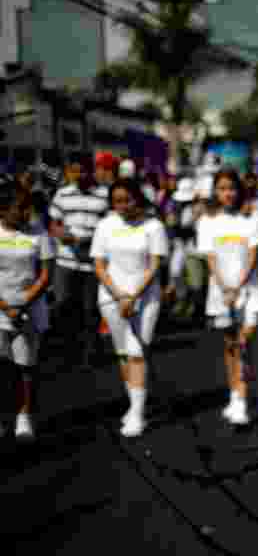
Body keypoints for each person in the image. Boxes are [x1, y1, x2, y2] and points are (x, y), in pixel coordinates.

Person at [91, 179, 169, 438]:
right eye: (116, 201)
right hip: (112, 296)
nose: (122, 206)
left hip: (145, 297)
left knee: (137, 352)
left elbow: (155, 265)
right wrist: (119, 295)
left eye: (127, 200)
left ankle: (137, 414)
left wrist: (133, 295)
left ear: (138, 198)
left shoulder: (154, 226)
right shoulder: (105, 225)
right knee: (123, 352)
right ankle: (135, 403)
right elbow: (100, 265)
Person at [196, 169, 258, 426]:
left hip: (248, 290)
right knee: (229, 345)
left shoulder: (251, 217)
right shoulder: (207, 221)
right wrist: (225, 287)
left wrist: (237, 286)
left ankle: (242, 398)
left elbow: (253, 256)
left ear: (239, 190)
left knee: (244, 342)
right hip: (221, 291)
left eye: (231, 188)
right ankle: (236, 395)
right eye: (222, 188)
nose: (227, 193)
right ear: (215, 191)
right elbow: (210, 258)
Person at [0, 179, 54, 442]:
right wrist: (6, 306)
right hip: (1, 310)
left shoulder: (38, 233)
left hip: (29, 311)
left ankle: (24, 417)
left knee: (25, 368)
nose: (25, 213)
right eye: (19, 208)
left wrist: (22, 303)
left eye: (27, 208)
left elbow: (46, 275)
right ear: (2, 209)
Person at [48, 152, 109, 366]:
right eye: (74, 171)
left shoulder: (103, 195)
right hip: (65, 261)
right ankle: (68, 350)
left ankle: (91, 352)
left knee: (90, 308)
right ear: (70, 172)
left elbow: (110, 225)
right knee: (65, 305)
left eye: (83, 170)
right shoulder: (62, 194)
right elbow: (54, 223)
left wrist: (93, 239)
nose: (79, 175)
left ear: (90, 170)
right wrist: (61, 234)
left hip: (92, 263)